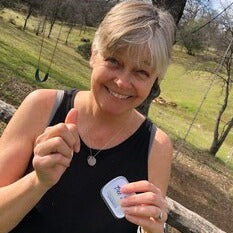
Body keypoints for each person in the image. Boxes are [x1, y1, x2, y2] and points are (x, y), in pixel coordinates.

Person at [0, 1, 175, 232]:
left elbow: (148, 226)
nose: (122, 81)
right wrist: (38, 181)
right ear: (94, 54)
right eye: (114, 61)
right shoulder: (42, 107)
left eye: (141, 72)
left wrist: (154, 229)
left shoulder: (157, 147)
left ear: (155, 81)